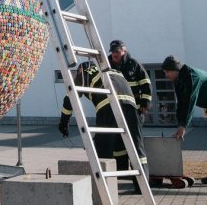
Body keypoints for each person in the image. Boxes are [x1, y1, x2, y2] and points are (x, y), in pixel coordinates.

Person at [58, 61, 148, 194]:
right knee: (136, 147)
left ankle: (103, 189)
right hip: (130, 107)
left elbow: (70, 98)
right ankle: (142, 187)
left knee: (103, 148)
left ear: (81, 70)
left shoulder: (85, 73)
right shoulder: (112, 70)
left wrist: (63, 124)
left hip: (108, 107)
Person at [161, 55, 207, 187]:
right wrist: (180, 123)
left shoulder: (192, 77)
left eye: (167, 72)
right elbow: (181, 102)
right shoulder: (178, 80)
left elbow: (190, 101)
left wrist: (183, 126)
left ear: (175, 69)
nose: (165, 75)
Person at [109, 40, 152, 121]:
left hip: (134, 107)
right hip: (114, 107)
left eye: (116, 51)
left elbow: (146, 83)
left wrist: (145, 103)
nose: (114, 54)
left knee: (134, 132)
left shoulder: (134, 64)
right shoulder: (107, 65)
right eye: (112, 52)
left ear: (124, 51)